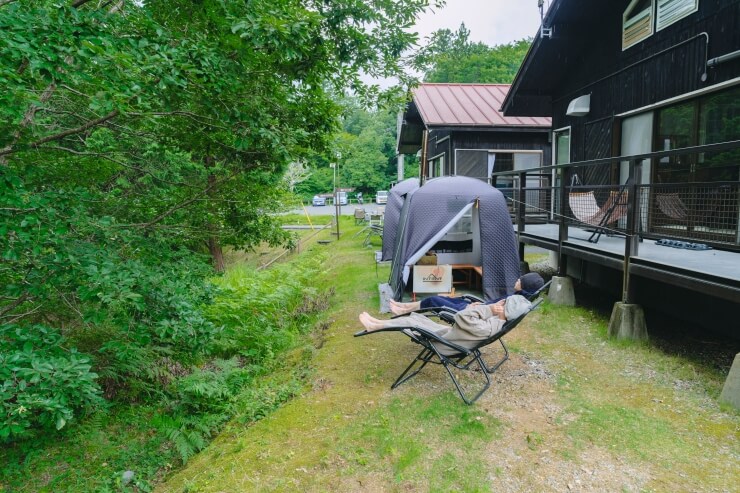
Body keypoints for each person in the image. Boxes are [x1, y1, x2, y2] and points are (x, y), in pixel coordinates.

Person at [359, 295, 532, 356]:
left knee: (412, 322)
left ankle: (375, 326)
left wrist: (487, 309)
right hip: (450, 336)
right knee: (417, 319)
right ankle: (379, 322)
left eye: (503, 303)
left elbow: (460, 317)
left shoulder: (489, 327)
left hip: (445, 344)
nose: (499, 303)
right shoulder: (496, 323)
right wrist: (489, 310)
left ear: (504, 308)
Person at [389, 272, 545, 316]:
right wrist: (481, 305)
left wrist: (476, 308)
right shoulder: (518, 299)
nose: (517, 279)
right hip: (477, 309)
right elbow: (494, 307)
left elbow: (495, 311)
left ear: (524, 286)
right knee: (441, 298)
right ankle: (403, 306)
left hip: (470, 315)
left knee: (434, 300)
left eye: (520, 280)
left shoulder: (514, 301)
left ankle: (403, 310)